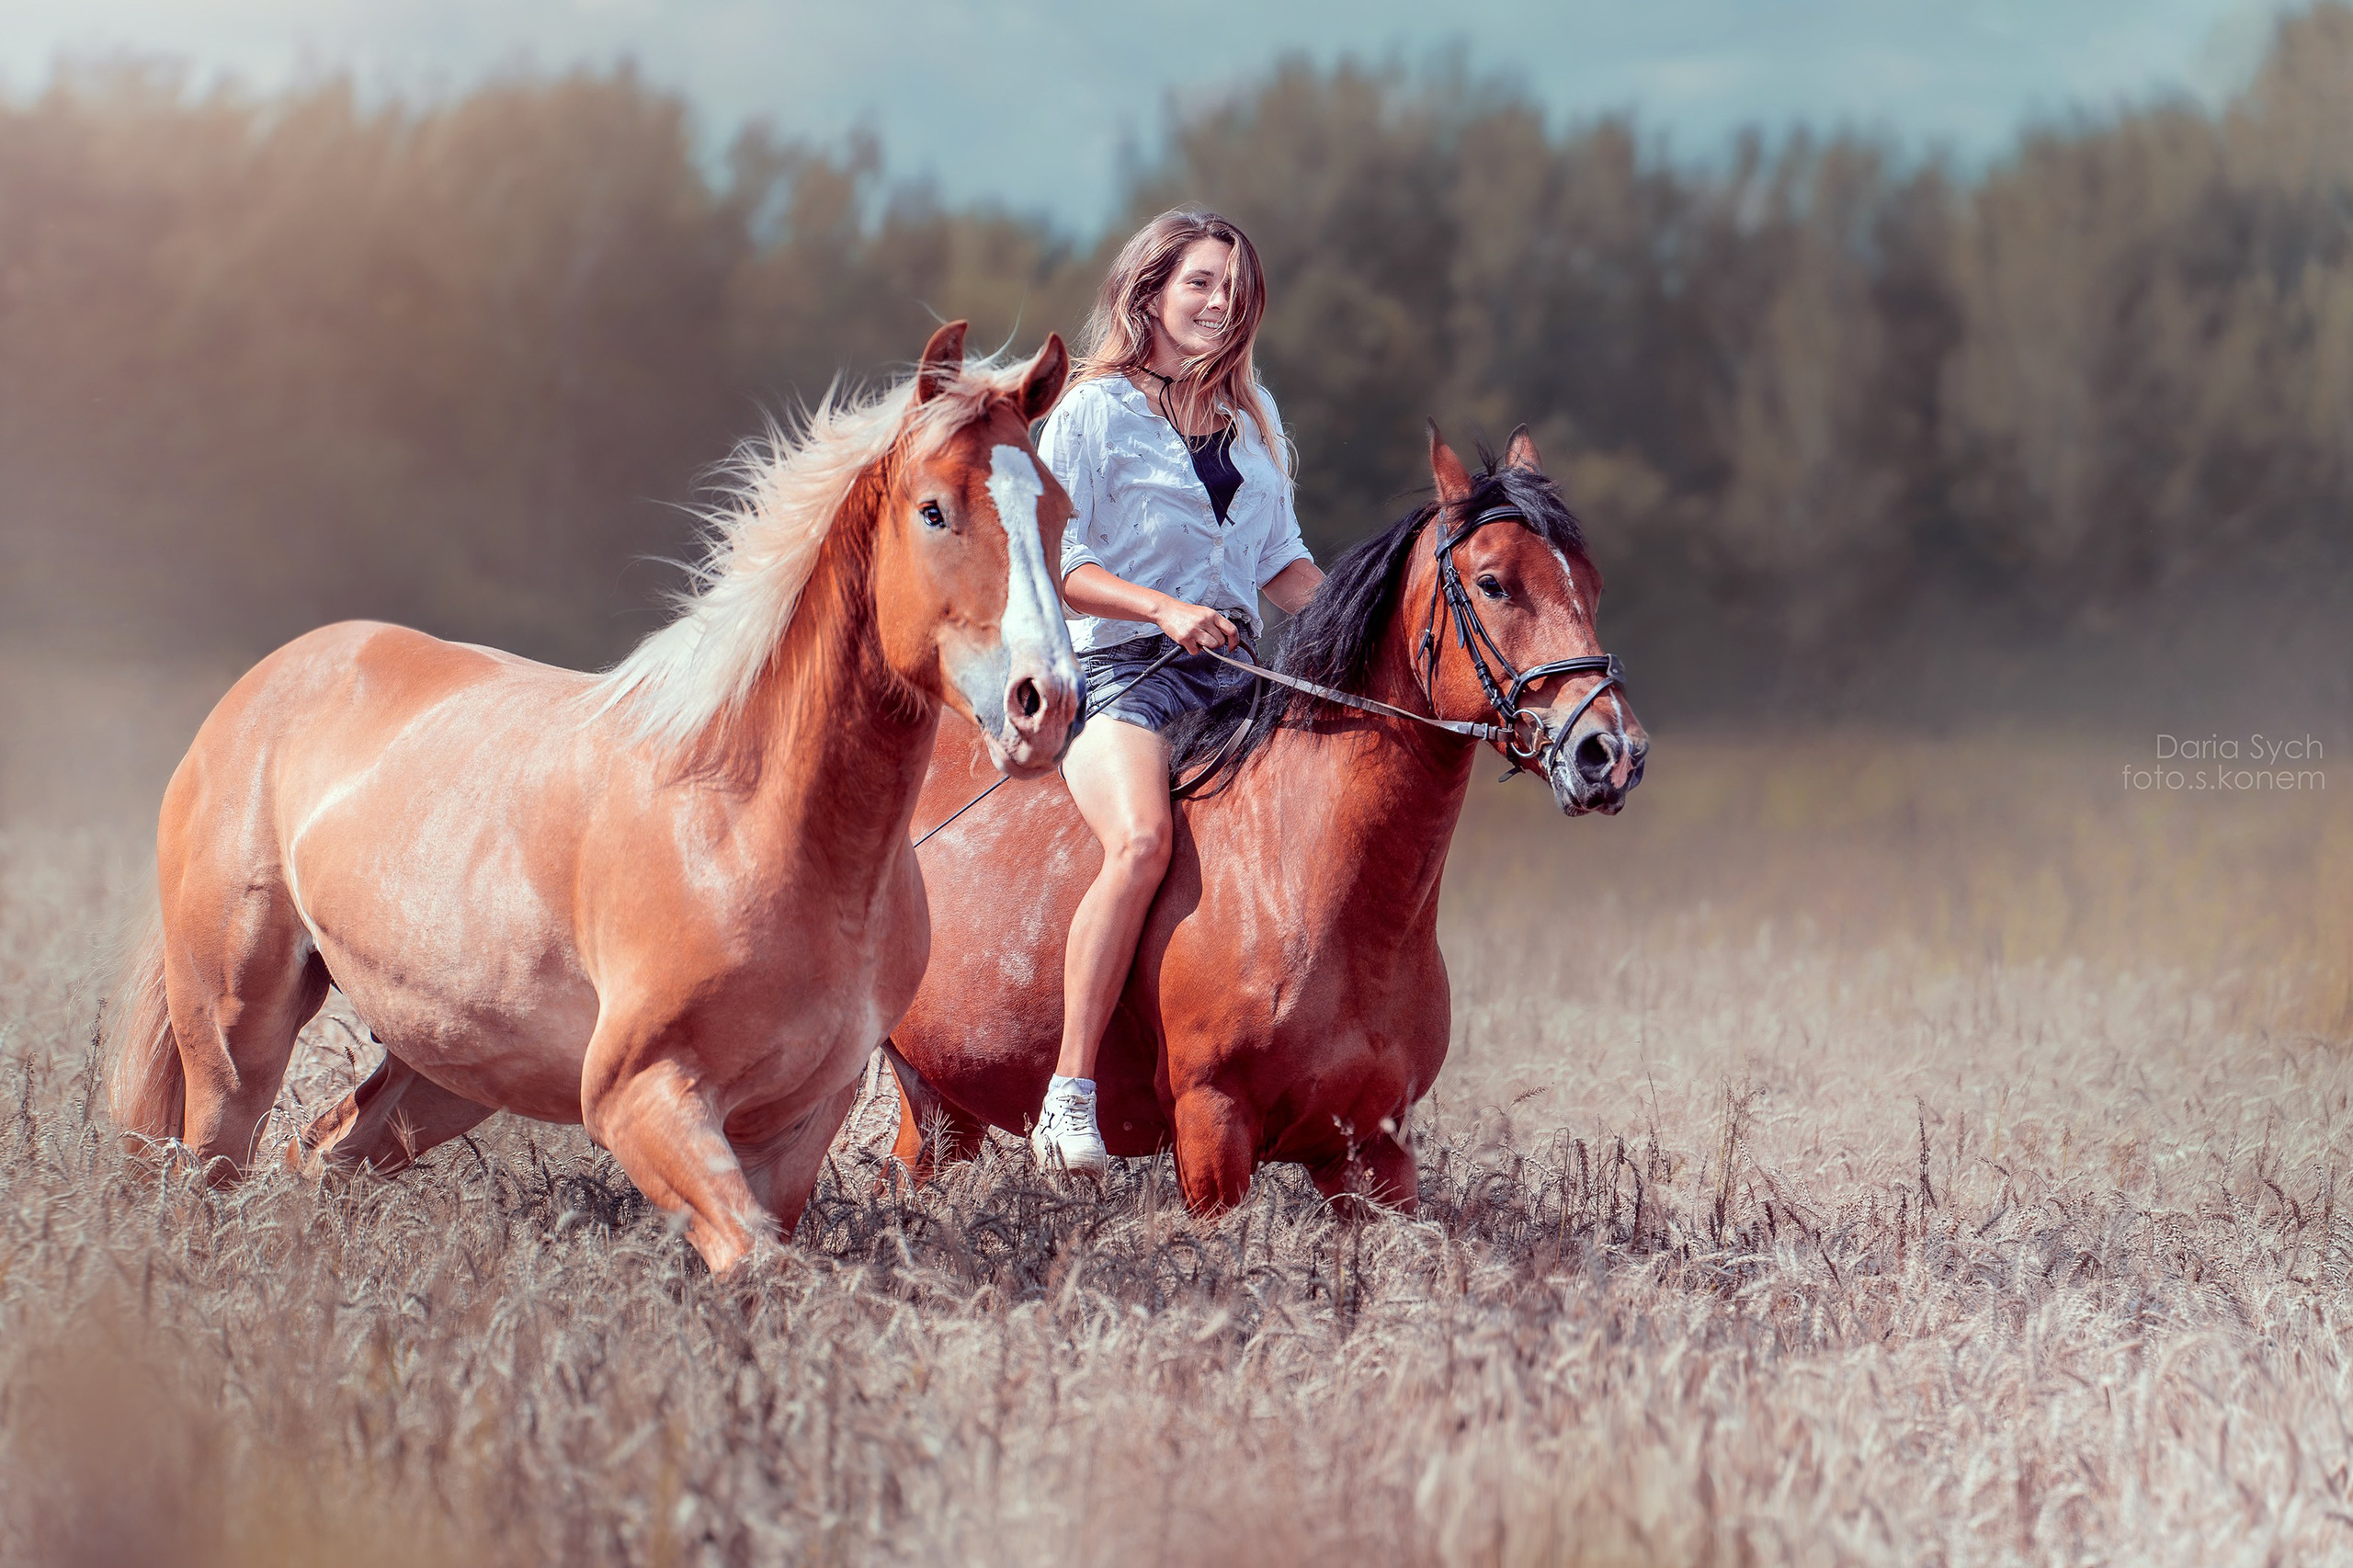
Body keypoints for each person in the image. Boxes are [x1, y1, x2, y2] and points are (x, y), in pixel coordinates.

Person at [1029, 208, 1324, 1176]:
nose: (1219, 300)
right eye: (1200, 280)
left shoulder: (1257, 417)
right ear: (1148, 291)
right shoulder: (1090, 410)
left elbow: (1282, 563)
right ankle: (1068, 1095)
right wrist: (1160, 608)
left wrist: (1362, 630)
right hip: (1125, 668)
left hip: (1239, 674)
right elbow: (1055, 559)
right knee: (1142, 840)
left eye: (1234, 287)